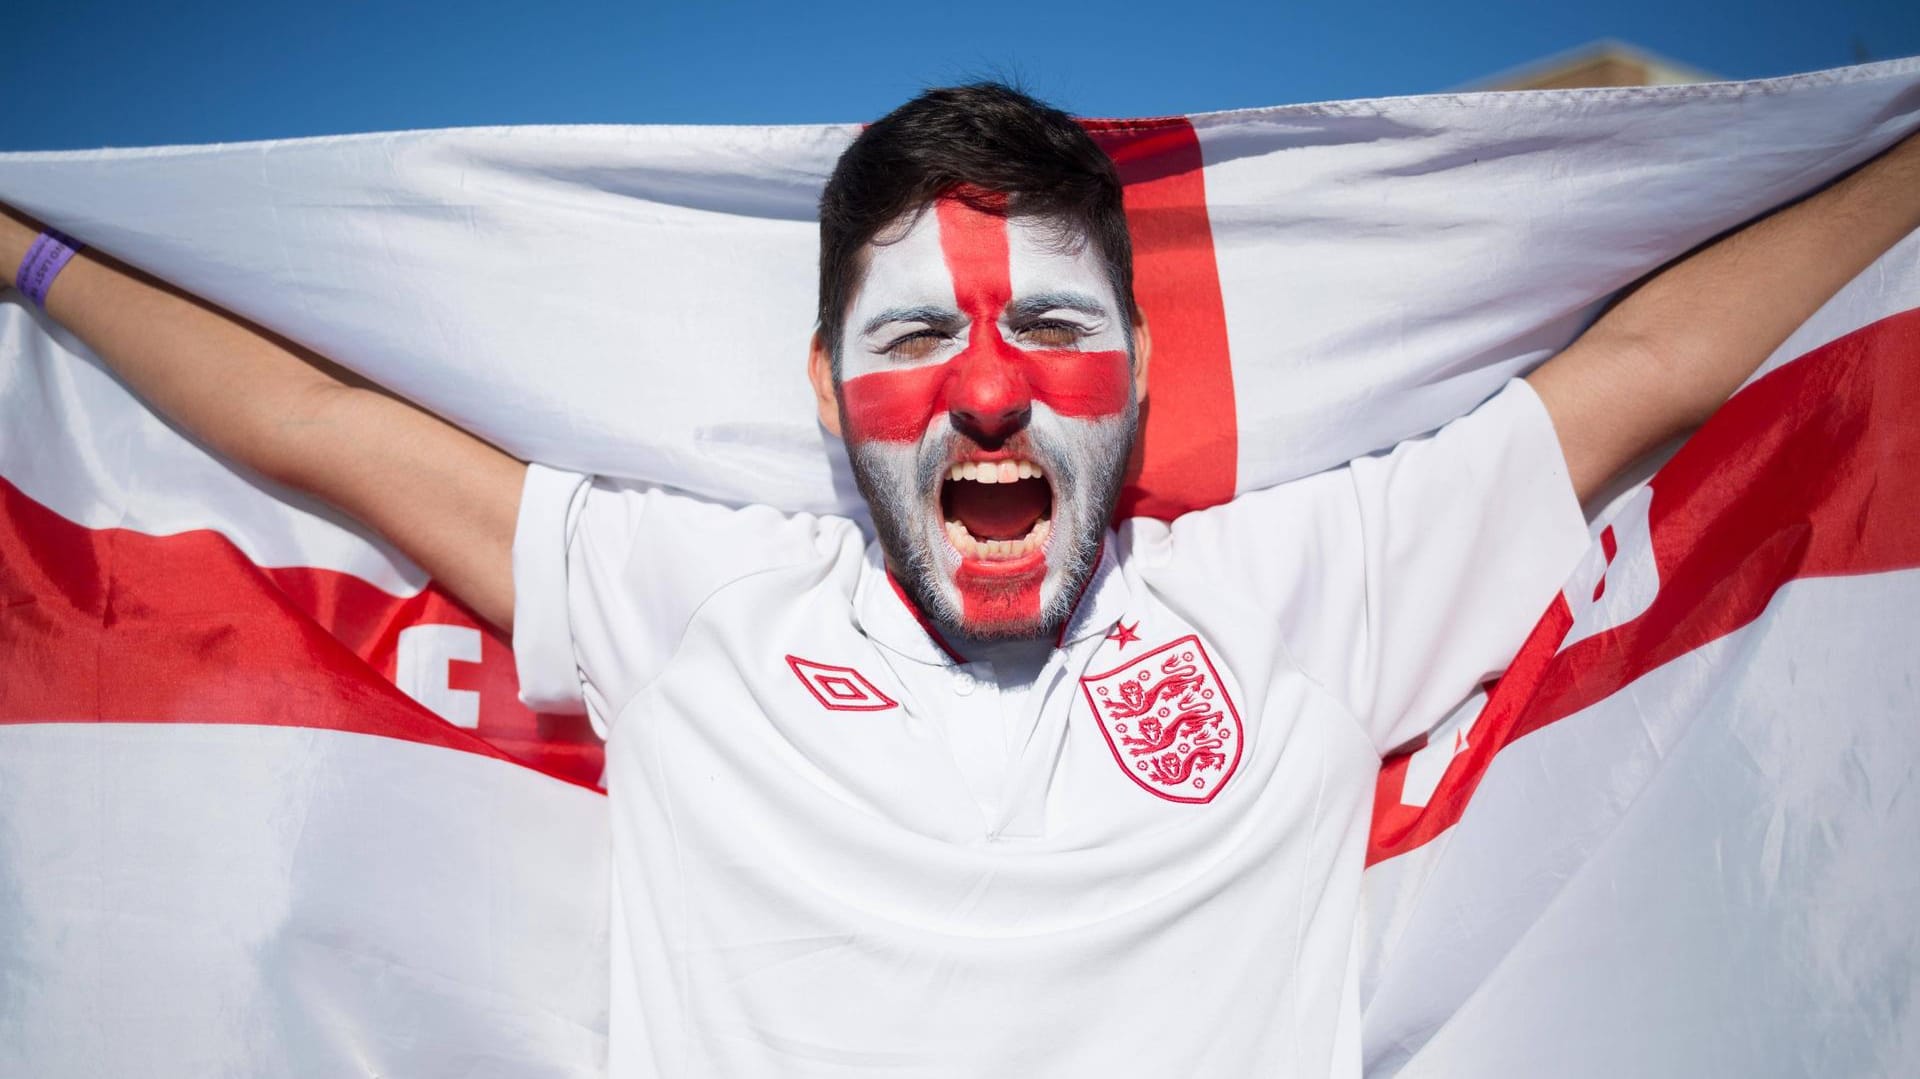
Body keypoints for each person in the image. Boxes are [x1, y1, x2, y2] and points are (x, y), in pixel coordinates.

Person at [5, 83, 1917, 1076]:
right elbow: (324, 430)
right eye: (920, 336)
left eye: (1055, 330)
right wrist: (29, 263)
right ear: (828, 395)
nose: (991, 392)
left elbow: (1649, 373)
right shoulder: (693, 602)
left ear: (1140, 380)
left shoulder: (1307, 593)